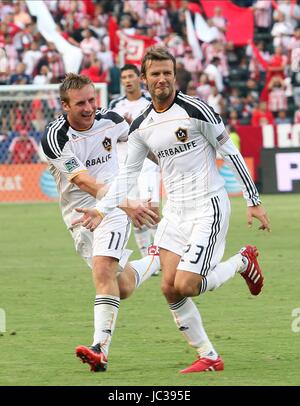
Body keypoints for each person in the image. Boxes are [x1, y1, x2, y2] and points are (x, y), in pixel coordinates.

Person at [73, 47, 271, 374]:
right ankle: (208, 356)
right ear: (145, 80)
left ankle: (242, 260)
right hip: (174, 213)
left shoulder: (196, 110)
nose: (162, 78)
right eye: (155, 74)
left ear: (175, 75)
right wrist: (100, 209)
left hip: (208, 207)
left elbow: (230, 151)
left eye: (167, 72)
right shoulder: (141, 126)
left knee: (188, 284)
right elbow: (126, 177)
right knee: (169, 286)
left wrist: (253, 199)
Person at [41, 73, 160, 373]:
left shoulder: (112, 120)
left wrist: (171, 164)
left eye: (92, 100)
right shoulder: (55, 138)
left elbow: (143, 142)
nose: (89, 107)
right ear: (64, 106)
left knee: (102, 269)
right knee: (120, 286)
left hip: (114, 209)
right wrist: (127, 202)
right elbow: (82, 180)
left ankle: (99, 349)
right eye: (80, 103)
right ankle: (156, 259)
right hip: (79, 217)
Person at [109, 64, 160, 259]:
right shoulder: (115, 105)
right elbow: (110, 135)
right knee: (135, 211)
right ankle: (148, 257)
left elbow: (156, 130)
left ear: (139, 78)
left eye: (131, 76)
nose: (128, 80)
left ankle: (161, 253)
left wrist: (133, 128)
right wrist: (122, 132)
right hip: (125, 164)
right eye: (124, 78)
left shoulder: (150, 101)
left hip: (148, 164)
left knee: (152, 210)